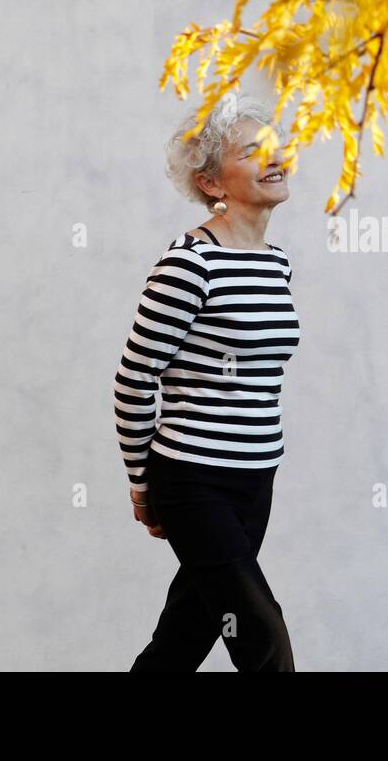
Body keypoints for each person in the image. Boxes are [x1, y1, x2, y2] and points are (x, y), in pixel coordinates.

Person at [116, 92, 299, 671]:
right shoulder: (189, 262)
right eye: (252, 153)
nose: (275, 158)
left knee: (183, 639)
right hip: (194, 482)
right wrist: (144, 484)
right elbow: (135, 377)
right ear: (213, 184)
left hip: (256, 477)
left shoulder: (276, 262)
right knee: (263, 640)